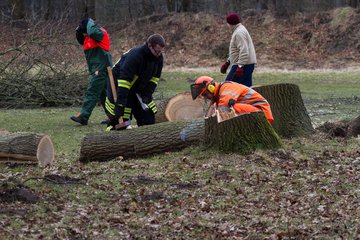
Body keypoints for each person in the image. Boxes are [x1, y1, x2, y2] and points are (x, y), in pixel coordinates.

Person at [104, 33, 165, 131]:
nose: (159, 55)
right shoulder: (135, 56)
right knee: (120, 118)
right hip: (119, 85)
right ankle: (111, 134)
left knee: (148, 118)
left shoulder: (158, 58)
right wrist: (120, 103)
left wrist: (146, 95)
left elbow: (154, 79)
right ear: (149, 45)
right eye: (157, 51)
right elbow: (124, 82)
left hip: (136, 88)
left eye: (160, 52)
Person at [70, 17, 111, 126]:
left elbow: (92, 31)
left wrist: (89, 22)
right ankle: (113, 117)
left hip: (101, 67)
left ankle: (84, 116)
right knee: (104, 94)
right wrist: (78, 30)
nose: (84, 34)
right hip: (95, 68)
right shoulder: (88, 37)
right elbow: (80, 39)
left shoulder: (99, 32)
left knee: (92, 90)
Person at [190, 76, 273, 124]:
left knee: (232, 109)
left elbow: (223, 110)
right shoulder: (217, 97)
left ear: (211, 88)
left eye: (205, 94)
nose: (205, 97)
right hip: (255, 111)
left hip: (262, 113)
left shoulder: (226, 88)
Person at [220, 12, 257, 87]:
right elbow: (236, 50)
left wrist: (240, 67)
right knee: (245, 90)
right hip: (247, 64)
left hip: (243, 66)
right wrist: (228, 62)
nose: (227, 25)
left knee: (227, 87)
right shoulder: (240, 30)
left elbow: (244, 51)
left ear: (230, 23)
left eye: (227, 23)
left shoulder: (239, 33)